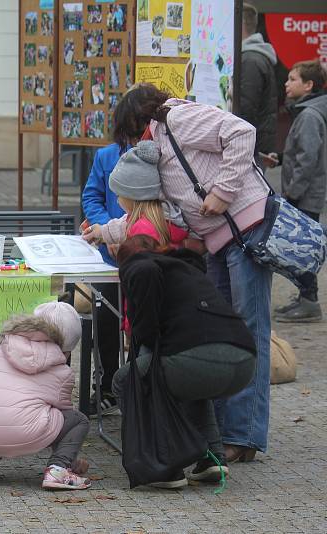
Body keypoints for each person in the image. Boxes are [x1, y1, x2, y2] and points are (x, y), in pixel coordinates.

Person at [112, 83, 271, 463]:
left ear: (139, 120)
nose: (134, 144)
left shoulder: (178, 118)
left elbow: (242, 132)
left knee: (248, 330)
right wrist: (104, 232)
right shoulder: (159, 147)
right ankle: (212, 433)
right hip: (216, 240)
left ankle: (243, 435)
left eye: (132, 134)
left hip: (244, 230)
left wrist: (223, 191)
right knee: (215, 328)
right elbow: (154, 210)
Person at [112, 235, 257, 488]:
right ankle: (211, 458)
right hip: (244, 361)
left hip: (204, 359)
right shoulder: (185, 269)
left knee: (127, 380)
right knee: (189, 382)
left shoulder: (141, 267)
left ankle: (163, 466)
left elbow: (145, 332)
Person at [0, 302, 91, 490]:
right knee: (78, 420)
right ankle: (58, 469)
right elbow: (62, 417)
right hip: (23, 431)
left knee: (0, 408)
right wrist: (70, 458)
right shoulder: (62, 371)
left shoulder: (1, 350)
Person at [266, 60, 327, 323]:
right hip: (304, 193)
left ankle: (309, 301)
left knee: (304, 248)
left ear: (308, 85)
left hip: (305, 196)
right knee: (303, 247)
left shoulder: (310, 115)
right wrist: (279, 158)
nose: (286, 83)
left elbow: (308, 158)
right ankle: (305, 297)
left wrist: (291, 194)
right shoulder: (305, 112)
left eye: (292, 79)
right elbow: (298, 153)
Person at [82, 140, 197, 251]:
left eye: (118, 195)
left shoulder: (142, 231)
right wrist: (101, 232)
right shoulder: (164, 215)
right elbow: (122, 226)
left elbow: (139, 265)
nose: (117, 201)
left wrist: (122, 253)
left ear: (133, 196)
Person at [80, 142, 126, 416]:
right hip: (108, 261)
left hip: (144, 251)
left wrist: (123, 234)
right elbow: (92, 198)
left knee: (142, 325)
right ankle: (107, 387)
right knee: (105, 322)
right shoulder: (107, 155)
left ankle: (136, 387)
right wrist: (107, 231)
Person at [238, 3, 278, 164]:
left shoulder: (250, 60)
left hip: (250, 149)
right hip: (255, 146)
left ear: (239, 25)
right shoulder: (253, 57)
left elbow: (246, 108)